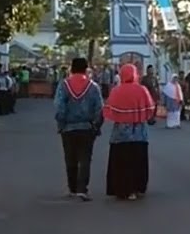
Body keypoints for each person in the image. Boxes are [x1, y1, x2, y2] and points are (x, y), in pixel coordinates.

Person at [53, 57, 104, 202]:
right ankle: (83, 189)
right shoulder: (93, 87)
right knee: (85, 158)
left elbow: (59, 107)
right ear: (86, 69)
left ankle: (72, 188)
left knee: (70, 158)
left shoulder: (64, 85)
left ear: (72, 68)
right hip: (87, 127)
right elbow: (99, 109)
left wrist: (61, 124)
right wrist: (96, 126)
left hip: (68, 127)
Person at [104, 64, 156, 201]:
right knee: (137, 161)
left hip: (120, 135)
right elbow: (150, 108)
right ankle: (136, 188)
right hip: (139, 135)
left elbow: (108, 110)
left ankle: (121, 189)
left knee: (121, 162)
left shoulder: (116, 91)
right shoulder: (142, 90)